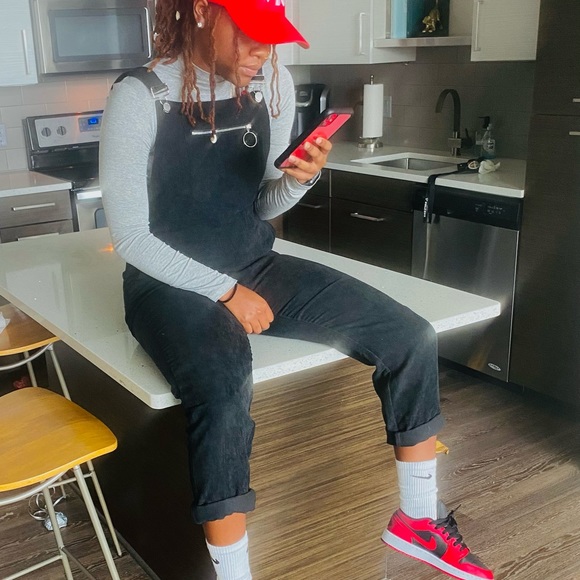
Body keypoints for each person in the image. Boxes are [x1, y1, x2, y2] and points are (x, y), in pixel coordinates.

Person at [99, 1, 494, 579]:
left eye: (272, 37)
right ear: (204, 10)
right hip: (164, 284)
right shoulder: (138, 96)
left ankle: (417, 519)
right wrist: (225, 292)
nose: (263, 51)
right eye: (250, 32)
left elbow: (262, 205)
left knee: (409, 336)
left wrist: (299, 181)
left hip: (253, 263)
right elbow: (132, 238)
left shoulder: (273, 84)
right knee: (224, 388)